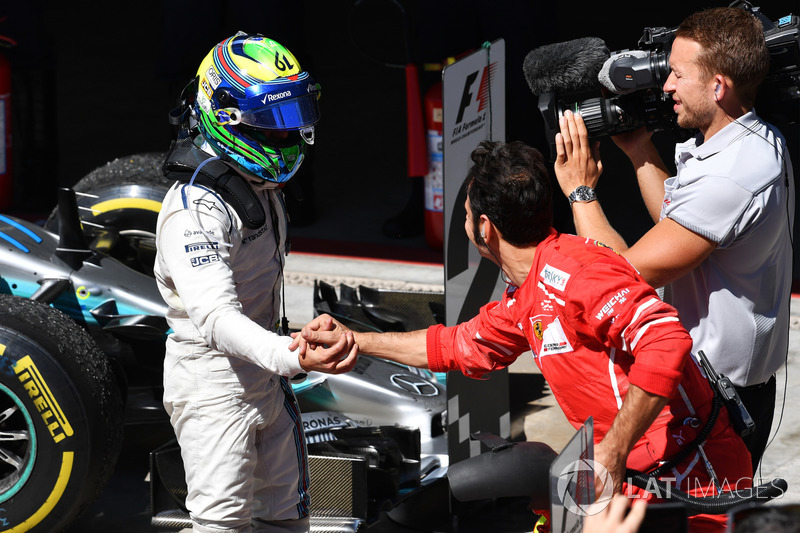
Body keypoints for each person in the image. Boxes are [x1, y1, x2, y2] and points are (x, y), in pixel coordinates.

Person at [297, 140, 752, 532]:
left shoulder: (576, 273)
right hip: (631, 479)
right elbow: (458, 345)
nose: (464, 223)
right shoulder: (529, 291)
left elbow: (667, 341)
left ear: (485, 229)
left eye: (466, 214)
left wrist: (613, 448)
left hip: (693, 482)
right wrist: (355, 340)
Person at [552, 6, 795, 474]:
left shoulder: (732, 177)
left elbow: (618, 277)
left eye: (677, 75)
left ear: (718, 86)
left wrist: (580, 192)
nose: (665, 86)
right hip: (724, 391)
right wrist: (641, 149)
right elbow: (680, 218)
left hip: (715, 403)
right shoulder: (751, 139)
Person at [153, 33, 358, 533]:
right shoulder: (194, 211)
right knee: (221, 525)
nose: (289, 135)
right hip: (212, 386)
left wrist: (294, 347)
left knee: (289, 519)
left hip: (266, 376)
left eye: (295, 118)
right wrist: (292, 357)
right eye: (274, 121)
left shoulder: (258, 184)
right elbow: (216, 319)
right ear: (226, 116)